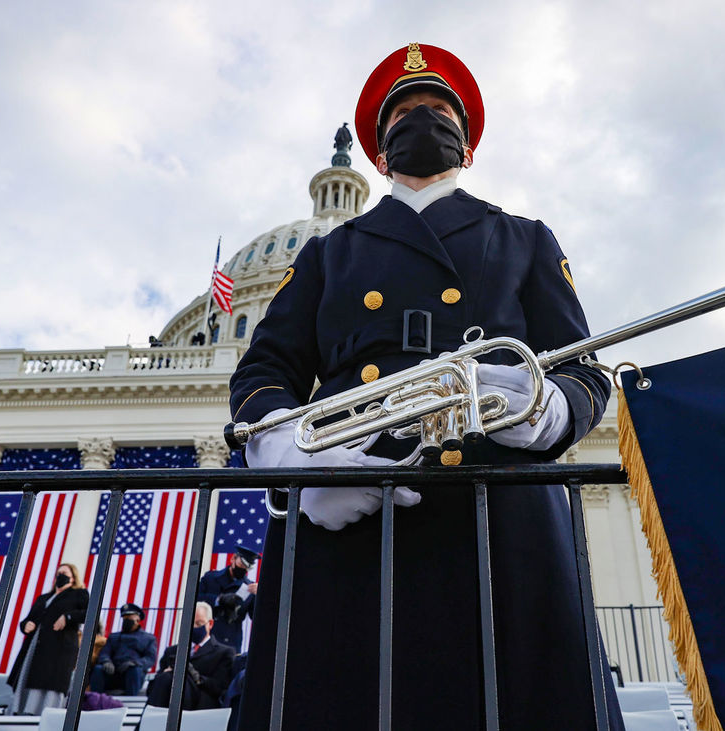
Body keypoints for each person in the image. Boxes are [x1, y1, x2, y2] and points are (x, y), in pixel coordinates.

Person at [228, 43, 621, 729]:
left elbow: (584, 370)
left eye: (439, 111)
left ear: (466, 146)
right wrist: (297, 458)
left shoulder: (524, 238)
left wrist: (546, 407)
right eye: (405, 114)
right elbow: (264, 372)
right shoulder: (328, 252)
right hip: (351, 514)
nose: (423, 120)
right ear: (380, 154)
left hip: (499, 518)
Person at [7, 563, 90, 714]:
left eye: (64, 573)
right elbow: (28, 619)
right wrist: (26, 624)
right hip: (36, 646)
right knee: (31, 678)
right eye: (58, 573)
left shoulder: (79, 594)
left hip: (59, 647)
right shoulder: (44, 598)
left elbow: (90, 613)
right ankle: (23, 711)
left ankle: (46, 714)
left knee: (51, 682)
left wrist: (68, 617)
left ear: (73, 578)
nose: (60, 576)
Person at [145, 602, 233, 711]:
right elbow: (152, 688)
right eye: (190, 623)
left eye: (198, 623)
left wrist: (196, 677)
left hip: (199, 707)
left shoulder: (224, 653)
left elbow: (221, 687)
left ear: (210, 624)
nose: (194, 627)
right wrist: (166, 673)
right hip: (166, 702)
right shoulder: (172, 651)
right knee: (166, 678)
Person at [195, 545, 258, 652]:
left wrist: (259, 596)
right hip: (207, 635)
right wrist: (218, 600)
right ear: (233, 558)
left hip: (230, 641)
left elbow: (255, 616)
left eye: (247, 567)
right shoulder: (211, 578)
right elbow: (196, 599)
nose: (243, 569)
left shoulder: (249, 588)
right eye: (241, 564)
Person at [89, 602, 158, 696]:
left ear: (137, 620)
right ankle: (94, 699)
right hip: (113, 672)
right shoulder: (113, 637)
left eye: (129, 618)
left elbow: (150, 658)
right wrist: (106, 661)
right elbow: (105, 653)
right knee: (98, 669)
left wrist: (135, 663)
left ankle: (131, 702)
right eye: (124, 618)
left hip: (132, 674)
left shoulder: (148, 638)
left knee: (134, 670)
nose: (126, 620)